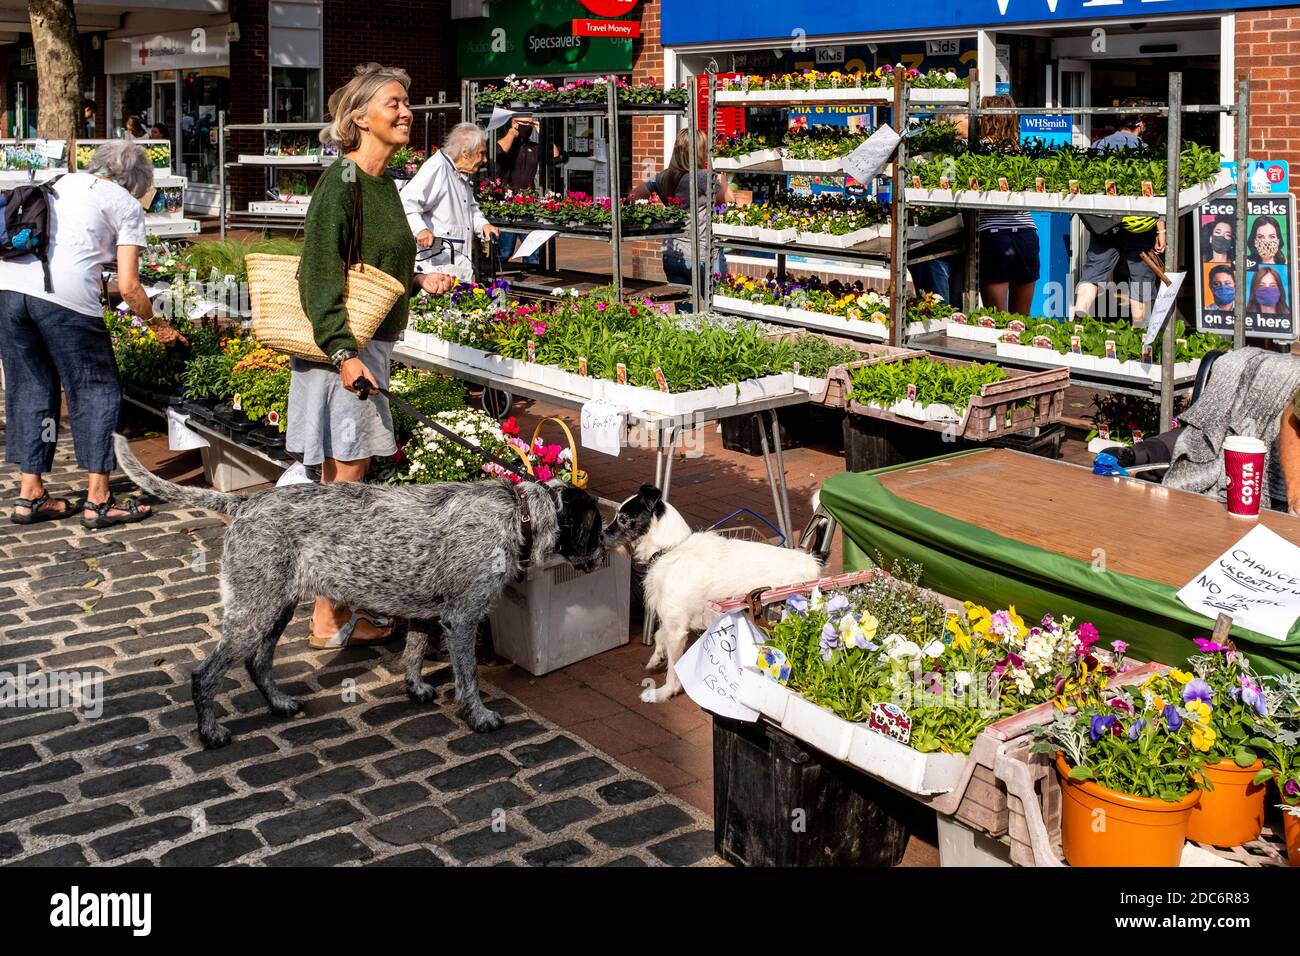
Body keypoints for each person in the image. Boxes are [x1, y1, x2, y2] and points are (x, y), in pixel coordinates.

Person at [291, 63, 456, 648]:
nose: (406, 111)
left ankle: (332, 610)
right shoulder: (341, 183)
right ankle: (328, 616)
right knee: (347, 483)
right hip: (346, 355)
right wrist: (341, 351)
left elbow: (374, 269)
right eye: (394, 103)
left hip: (364, 348)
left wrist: (417, 283)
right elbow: (319, 274)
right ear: (359, 117)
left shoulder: (384, 183)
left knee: (342, 481)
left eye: (407, 102)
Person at [0, 140, 187, 528]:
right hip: (64, 301)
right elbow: (131, 287)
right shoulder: (124, 203)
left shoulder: (60, 180)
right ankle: (99, 499)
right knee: (95, 390)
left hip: (9, 291)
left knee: (31, 387)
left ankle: (30, 493)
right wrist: (161, 328)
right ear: (137, 180)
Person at [1070, 103, 1165, 326]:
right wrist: (1161, 228)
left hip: (1104, 224)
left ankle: (1077, 322)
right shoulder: (1146, 151)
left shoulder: (1097, 147)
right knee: (1140, 277)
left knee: (1093, 273)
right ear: (1141, 125)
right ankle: (1139, 334)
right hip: (1138, 225)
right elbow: (1156, 192)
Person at [628, 129, 734, 297]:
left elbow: (633, 197)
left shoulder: (663, 176)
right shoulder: (702, 177)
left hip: (672, 254)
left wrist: (653, 209)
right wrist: (723, 178)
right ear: (700, 151)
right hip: (701, 255)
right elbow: (728, 200)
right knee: (716, 311)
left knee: (683, 316)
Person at [401, 122, 500, 282]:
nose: (485, 159)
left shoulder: (459, 173)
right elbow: (406, 203)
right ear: (465, 153)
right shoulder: (438, 167)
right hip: (435, 269)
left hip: (456, 267)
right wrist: (420, 229)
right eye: (481, 153)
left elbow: (471, 209)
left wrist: (483, 225)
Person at [969, 95, 1040, 316]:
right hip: (1026, 233)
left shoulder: (977, 152)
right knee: (1021, 319)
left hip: (993, 235)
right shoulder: (1021, 152)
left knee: (996, 319)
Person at [494, 116, 564, 265]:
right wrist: (513, 132)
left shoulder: (534, 147)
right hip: (507, 205)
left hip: (528, 204)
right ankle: (497, 281)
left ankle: (532, 277)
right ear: (514, 123)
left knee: (532, 253)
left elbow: (556, 156)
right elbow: (498, 151)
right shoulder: (507, 144)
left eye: (530, 123)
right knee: (504, 251)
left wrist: (542, 131)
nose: (528, 126)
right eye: (525, 123)